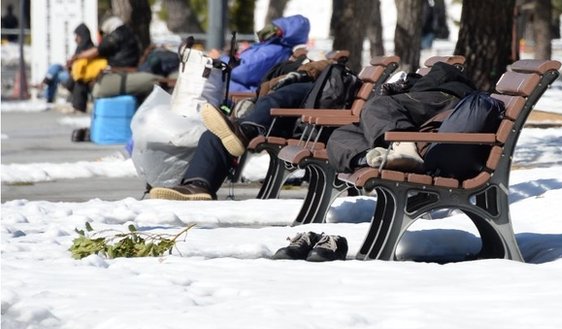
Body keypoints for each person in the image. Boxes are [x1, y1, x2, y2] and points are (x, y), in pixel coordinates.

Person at [148, 57, 336, 201]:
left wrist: (306, 71)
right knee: (213, 134)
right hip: (277, 119)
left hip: (306, 126)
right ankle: (197, 185)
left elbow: (326, 67)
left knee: (277, 99)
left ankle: (245, 131)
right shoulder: (290, 75)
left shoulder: (322, 81)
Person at [326, 61, 476, 174]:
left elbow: (442, 74)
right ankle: (375, 157)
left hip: (446, 98)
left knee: (377, 104)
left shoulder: (444, 73)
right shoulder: (426, 76)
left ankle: (404, 147)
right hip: (422, 107)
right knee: (340, 135)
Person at [68, 16, 147, 112]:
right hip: (127, 68)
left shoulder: (117, 35)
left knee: (85, 82)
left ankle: (79, 107)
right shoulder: (129, 33)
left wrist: (77, 57)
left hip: (118, 69)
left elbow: (98, 50)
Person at [39, 23, 94, 104]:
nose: (75, 39)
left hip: (77, 76)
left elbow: (81, 65)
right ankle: (47, 83)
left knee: (56, 74)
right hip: (71, 72)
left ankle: (46, 90)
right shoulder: (80, 48)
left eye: (77, 36)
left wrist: (71, 64)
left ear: (83, 36)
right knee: (56, 67)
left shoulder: (89, 49)